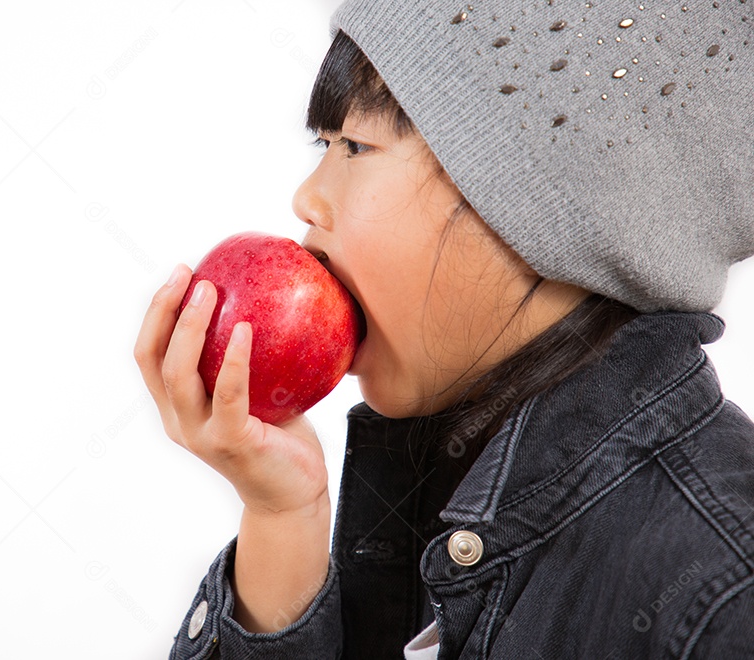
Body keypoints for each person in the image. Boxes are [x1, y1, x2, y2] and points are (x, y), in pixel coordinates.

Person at [134, 0, 754, 657]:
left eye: (355, 145)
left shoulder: (727, 591)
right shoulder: (442, 476)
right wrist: (284, 522)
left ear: (535, 211)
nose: (306, 198)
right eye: (324, 144)